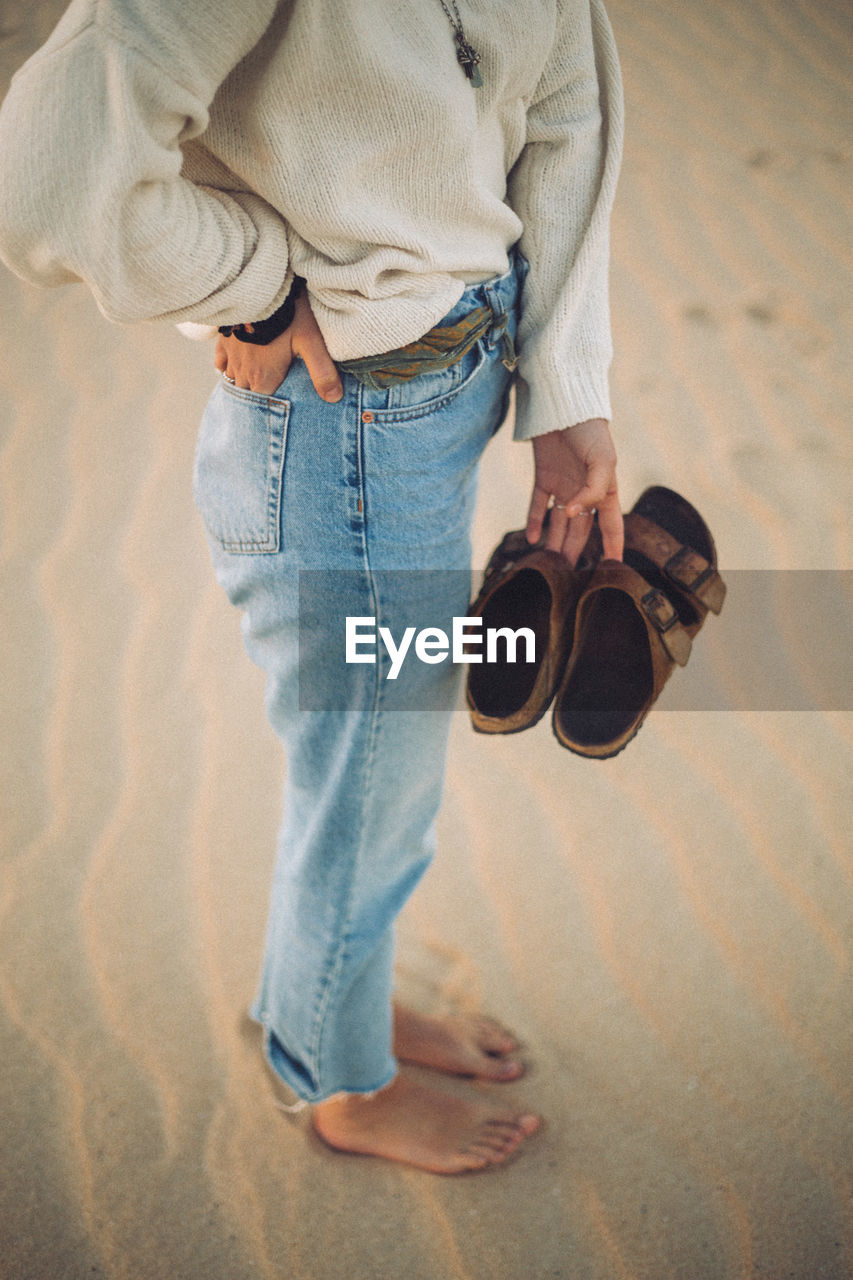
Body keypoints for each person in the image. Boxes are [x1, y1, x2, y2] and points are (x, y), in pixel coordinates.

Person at [0, 0, 624, 1174]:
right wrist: (249, 282)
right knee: (369, 771)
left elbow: (568, 111)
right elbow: (45, 170)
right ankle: (337, 1077)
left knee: (381, 762)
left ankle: (337, 992)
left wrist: (568, 387)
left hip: (446, 397)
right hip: (343, 428)